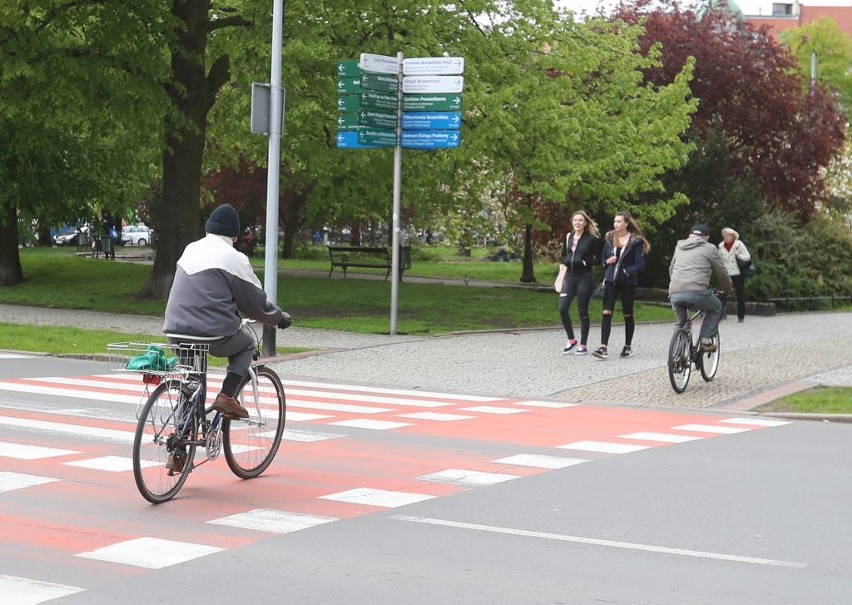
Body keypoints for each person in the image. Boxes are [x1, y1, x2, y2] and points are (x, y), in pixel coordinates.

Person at [163, 203, 291, 424]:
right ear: (234, 236)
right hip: (212, 333)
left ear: (207, 231)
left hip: (175, 329)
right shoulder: (234, 258)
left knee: (192, 384)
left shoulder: (190, 249)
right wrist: (278, 317)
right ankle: (227, 395)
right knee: (247, 344)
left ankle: (179, 448)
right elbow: (255, 303)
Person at [592, 211, 650, 360]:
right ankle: (603, 347)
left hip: (627, 282)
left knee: (627, 314)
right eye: (614, 221)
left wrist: (626, 271)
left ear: (626, 223)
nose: (615, 224)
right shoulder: (609, 239)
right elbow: (602, 259)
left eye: (619, 221)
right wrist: (607, 262)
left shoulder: (635, 241)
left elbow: (640, 264)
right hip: (611, 281)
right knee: (606, 312)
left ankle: (627, 347)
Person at [668, 224, 733, 351]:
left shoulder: (679, 246)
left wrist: (676, 286)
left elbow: (671, 268)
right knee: (716, 307)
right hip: (697, 292)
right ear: (706, 238)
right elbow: (722, 272)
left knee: (681, 323)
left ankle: (676, 354)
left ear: (690, 236)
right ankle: (706, 341)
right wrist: (728, 290)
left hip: (675, 292)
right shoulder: (710, 248)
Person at [554, 211, 600, 355]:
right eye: (575, 220)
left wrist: (587, 262)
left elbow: (600, 259)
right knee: (562, 308)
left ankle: (583, 345)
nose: (577, 222)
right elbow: (563, 254)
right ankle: (571, 340)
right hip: (570, 276)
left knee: (582, 311)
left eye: (580, 220)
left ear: (585, 223)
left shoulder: (591, 239)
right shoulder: (568, 237)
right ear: (572, 222)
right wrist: (564, 262)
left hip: (584, 277)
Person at [718, 227, 751, 323]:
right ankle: (719, 315)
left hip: (738, 273)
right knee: (722, 294)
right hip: (726, 273)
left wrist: (739, 255)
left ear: (732, 236)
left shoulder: (739, 245)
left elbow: (747, 257)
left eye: (727, 236)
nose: (726, 238)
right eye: (724, 236)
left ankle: (741, 316)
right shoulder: (720, 246)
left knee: (740, 295)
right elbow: (719, 260)